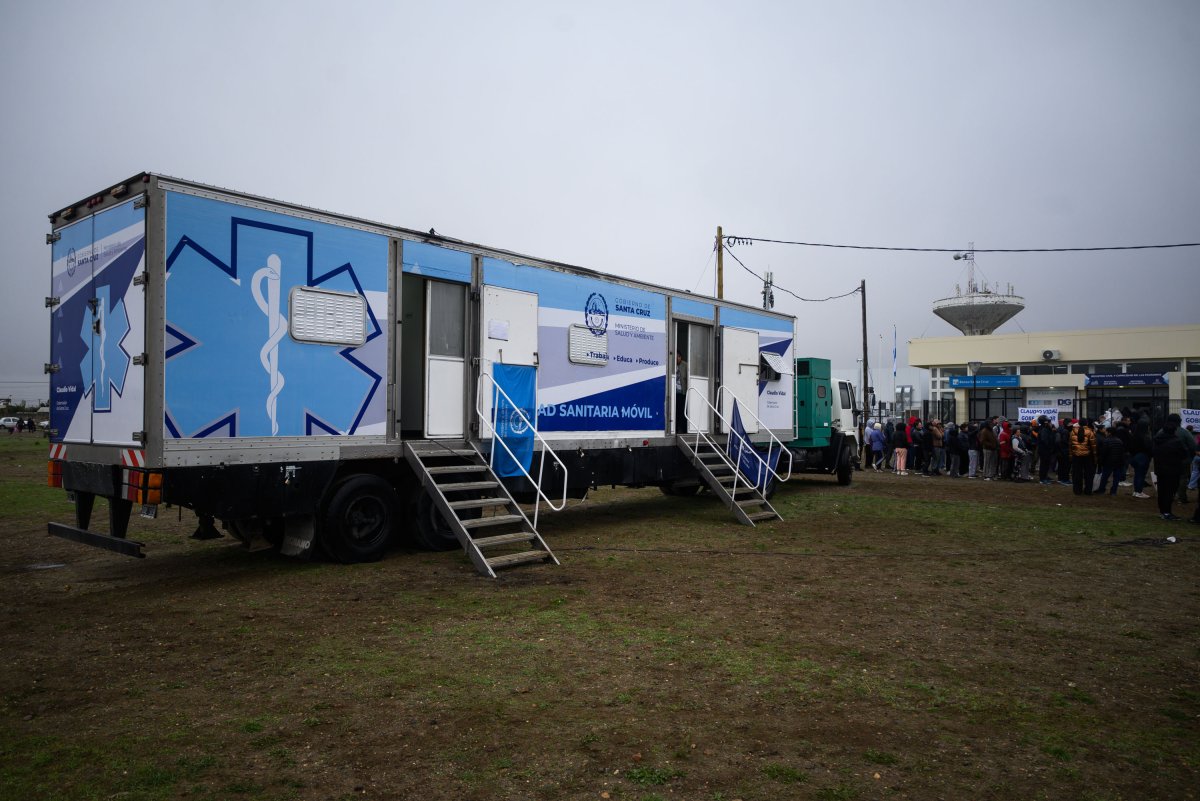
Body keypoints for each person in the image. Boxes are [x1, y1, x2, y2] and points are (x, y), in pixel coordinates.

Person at [1152, 414, 1189, 520]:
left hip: (1160, 469)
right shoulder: (1176, 441)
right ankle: (1167, 512)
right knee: (1170, 491)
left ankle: (1163, 511)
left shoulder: (1157, 439)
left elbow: (1153, 452)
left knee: (1162, 491)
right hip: (1173, 470)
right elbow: (1184, 454)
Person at [1096, 426, 1127, 496]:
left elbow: (1103, 453)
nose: (1105, 433)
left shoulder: (1106, 441)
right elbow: (1122, 453)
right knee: (1116, 478)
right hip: (1118, 463)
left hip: (1108, 462)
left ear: (1109, 433)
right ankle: (1113, 491)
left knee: (1104, 477)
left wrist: (1101, 461)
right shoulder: (1119, 441)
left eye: (1106, 432)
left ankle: (1101, 490)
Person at [1069, 420, 1097, 496]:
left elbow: (1070, 445)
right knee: (1089, 474)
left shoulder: (1072, 432)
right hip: (1087, 456)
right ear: (1087, 423)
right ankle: (1088, 490)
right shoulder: (1090, 432)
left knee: (1076, 474)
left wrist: (1071, 456)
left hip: (1076, 456)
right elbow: (1093, 446)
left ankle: (1077, 491)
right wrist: (1095, 457)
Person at [1128, 415, 1154, 498]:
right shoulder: (1146, 437)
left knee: (1137, 474)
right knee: (1141, 475)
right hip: (1143, 457)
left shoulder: (1134, 435)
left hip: (1134, 457)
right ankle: (1139, 491)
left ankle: (1136, 491)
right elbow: (1149, 448)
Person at [1036, 416, 1058, 485]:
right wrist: (1050, 447)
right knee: (1044, 464)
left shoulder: (1046, 429)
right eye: (1049, 422)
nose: (1050, 423)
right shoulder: (1044, 430)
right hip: (1044, 450)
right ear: (1045, 422)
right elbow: (1045, 440)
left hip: (1046, 450)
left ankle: (1045, 476)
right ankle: (1042, 479)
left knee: (1046, 464)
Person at [674, 352, 687, 433]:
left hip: (682, 393)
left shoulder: (685, 365)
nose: (677, 358)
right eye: (676, 356)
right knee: (674, 412)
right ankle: (675, 429)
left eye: (679, 356)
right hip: (673, 393)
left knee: (682, 412)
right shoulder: (671, 364)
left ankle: (682, 429)